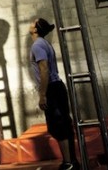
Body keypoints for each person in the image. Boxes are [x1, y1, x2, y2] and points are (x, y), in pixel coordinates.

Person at [29, 18, 79, 170]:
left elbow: (44, 69)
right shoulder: (44, 43)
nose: (30, 24)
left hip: (52, 88)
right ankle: (72, 161)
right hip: (56, 87)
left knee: (58, 126)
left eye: (33, 22)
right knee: (64, 124)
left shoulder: (37, 45)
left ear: (36, 29)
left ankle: (68, 163)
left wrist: (43, 94)